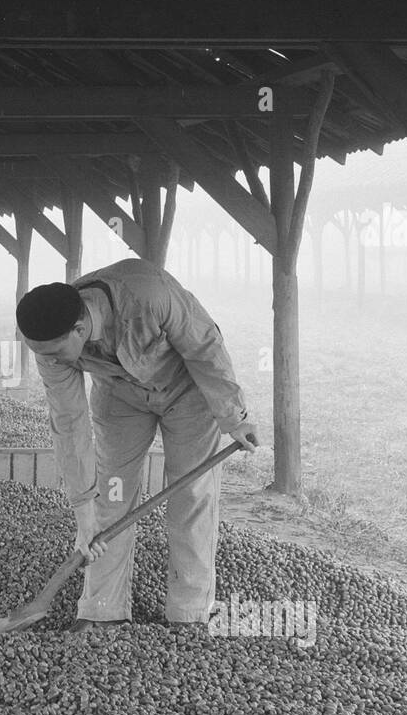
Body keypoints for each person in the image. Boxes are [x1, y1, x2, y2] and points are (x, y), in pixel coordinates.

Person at [16, 258, 257, 633]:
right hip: (120, 398)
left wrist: (234, 418)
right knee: (111, 495)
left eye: (51, 352)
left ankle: (189, 612)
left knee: (191, 494)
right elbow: (69, 424)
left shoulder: (150, 294)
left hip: (187, 391)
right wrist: (82, 511)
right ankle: (101, 610)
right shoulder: (50, 345)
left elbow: (205, 348)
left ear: (79, 329)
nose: (45, 360)